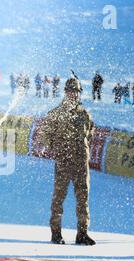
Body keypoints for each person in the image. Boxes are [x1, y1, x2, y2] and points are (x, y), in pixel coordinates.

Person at [40, 76, 96, 245]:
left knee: (83, 198)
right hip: (64, 162)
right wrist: (57, 149)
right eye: (71, 91)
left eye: (76, 92)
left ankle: (82, 233)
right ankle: (56, 233)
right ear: (65, 92)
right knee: (58, 198)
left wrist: (83, 151)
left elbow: (90, 135)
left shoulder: (85, 114)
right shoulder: (56, 113)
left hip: (81, 163)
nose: (74, 94)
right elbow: (45, 136)